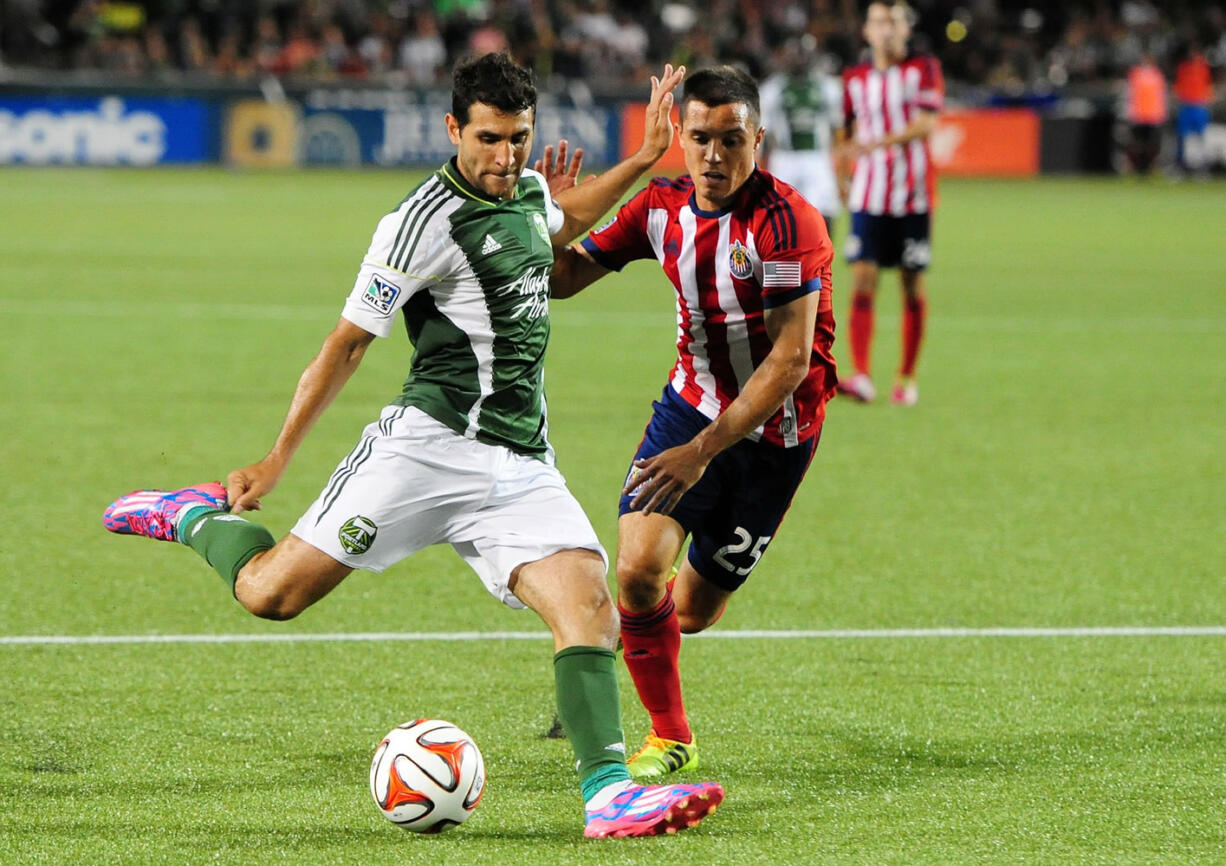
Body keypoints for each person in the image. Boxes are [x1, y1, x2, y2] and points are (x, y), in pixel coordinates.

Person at [102, 53, 724, 840]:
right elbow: (346, 346)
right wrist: (274, 459)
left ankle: (606, 795)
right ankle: (192, 518)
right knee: (270, 594)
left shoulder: (525, 190)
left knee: (589, 608)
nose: (506, 158)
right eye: (490, 140)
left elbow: (556, 220)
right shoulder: (418, 223)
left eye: (519, 139)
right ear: (452, 129)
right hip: (425, 451)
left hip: (521, 463)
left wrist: (639, 158)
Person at [550, 65, 837, 780]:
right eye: (700, 138)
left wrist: (704, 453)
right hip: (690, 407)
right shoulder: (658, 208)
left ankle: (641, 647)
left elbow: (788, 362)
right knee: (639, 571)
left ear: (758, 140)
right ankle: (670, 735)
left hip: (777, 435)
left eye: (731, 140)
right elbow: (559, 280)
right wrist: (551, 222)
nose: (713, 156)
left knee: (695, 610)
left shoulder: (788, 222)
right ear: (680, 135)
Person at [836, 0, 943, 407]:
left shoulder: (924, 69)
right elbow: (844, 132)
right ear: (866, 31)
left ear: (905, 30)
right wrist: (842, 174)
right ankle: (862, 375)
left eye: (893, 22)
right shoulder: (855, 77)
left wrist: (879, 142)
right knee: (862, 281)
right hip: (869, 196)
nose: (886, 30)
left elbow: (927, 123)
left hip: (912, 196)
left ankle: (907, 378)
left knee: (911, 284)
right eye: (879, 22)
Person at [759, 36, 845, 236]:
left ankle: (822, 264)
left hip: (818, 158)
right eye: (795, 54)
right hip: (785, 158)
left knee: (824, 213)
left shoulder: (828, 87)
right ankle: (783, 264)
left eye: (804, 54)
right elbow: (763, 135)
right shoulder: (773, 89)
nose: (800, 59)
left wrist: (841, 168)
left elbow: (838, 129)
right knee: (780, 218)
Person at [1124, 50, 1168, 176]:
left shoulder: (1157, 75)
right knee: (1137, 144)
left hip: (1153, 116)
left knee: (1152, 144)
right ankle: (1135, 168)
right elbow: (1130, 94)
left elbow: (1161, 96)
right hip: (1138, 115)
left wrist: (1162, 113)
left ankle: (1151, 169)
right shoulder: (1135, 74)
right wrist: (1130, 111)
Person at [1173, 44, 1213, 176]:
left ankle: (1203, 167)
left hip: (1199, 106)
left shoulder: (1204, 68)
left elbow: (1208, 86)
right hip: (1186, 106)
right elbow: (1178, 86)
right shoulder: (1183, 68)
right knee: (1182, 137)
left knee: (1202, 137)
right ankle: (1180, 166)